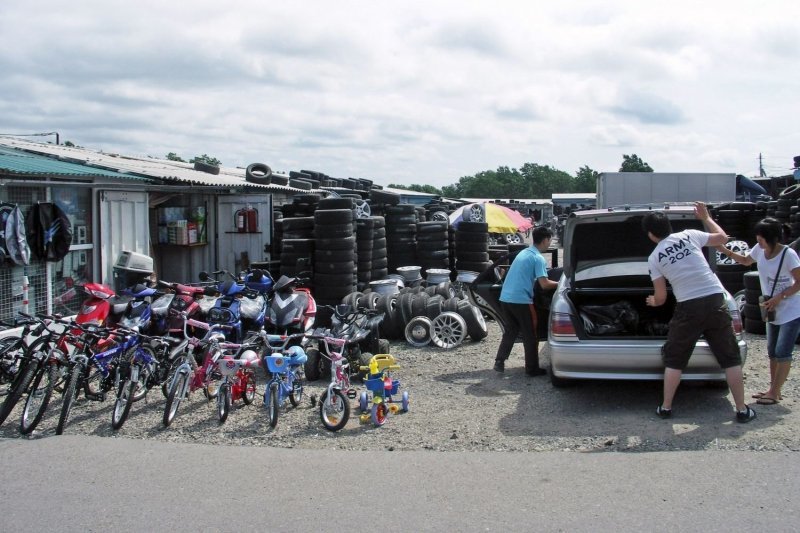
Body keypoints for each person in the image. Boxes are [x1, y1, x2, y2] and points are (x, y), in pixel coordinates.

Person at [642, 202, 756, 423]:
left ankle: (666, 408)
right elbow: (722, 238)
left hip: (688, 307)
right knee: (730, 358)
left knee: (675, 359)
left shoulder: (654, 258)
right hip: (715, 300)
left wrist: (653, 302)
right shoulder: (689, 235)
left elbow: (662, 297)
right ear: (668, 225)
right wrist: (706, 217)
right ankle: (742, 410)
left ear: (650, 235)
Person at [716, 217, 800, 405]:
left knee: (783, 351)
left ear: (771, 238)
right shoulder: (759, 250)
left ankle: (775, 391)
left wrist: (780, 297)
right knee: (772, 351)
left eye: (761, 237)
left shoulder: (788, 255)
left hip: (791, 309)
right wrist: (724, 250)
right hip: (771, 308)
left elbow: (799, 282)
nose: (758, 240)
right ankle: (773, 390)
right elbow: (745, 261)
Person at [493, 226, 558, 375]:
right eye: (550, 240)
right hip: (520, 301)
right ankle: (532, 369)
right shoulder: (538, 258)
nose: (550, 243)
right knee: (530, 334)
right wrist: (562, 284)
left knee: (511, 330)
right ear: (546, 239)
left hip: (505, 299)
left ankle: (500, 360)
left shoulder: (523, 253)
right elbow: (545, 284)